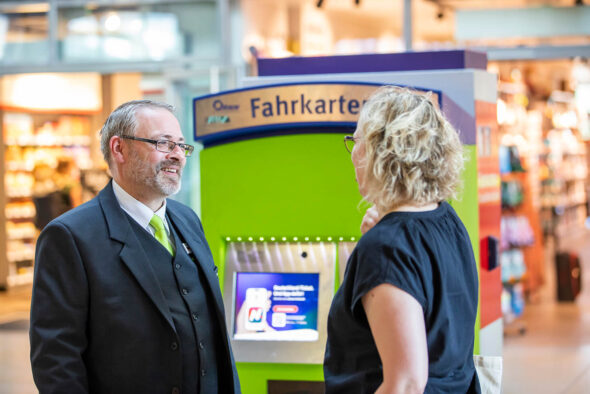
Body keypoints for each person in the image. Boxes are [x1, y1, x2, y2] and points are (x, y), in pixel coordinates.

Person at [30, 100, 241, 394]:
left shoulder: (187, 219)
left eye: (181, 145)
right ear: (119, 149)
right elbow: (57, 360)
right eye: (164, 143)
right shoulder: (70, 237)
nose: (177, 155)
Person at [324, 86, 480, 394]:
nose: (353, 153)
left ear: (382, 153)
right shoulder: (446, 220)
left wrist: (379, 245)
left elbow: (406, 384)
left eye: (357, 141)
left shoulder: (385, 250)